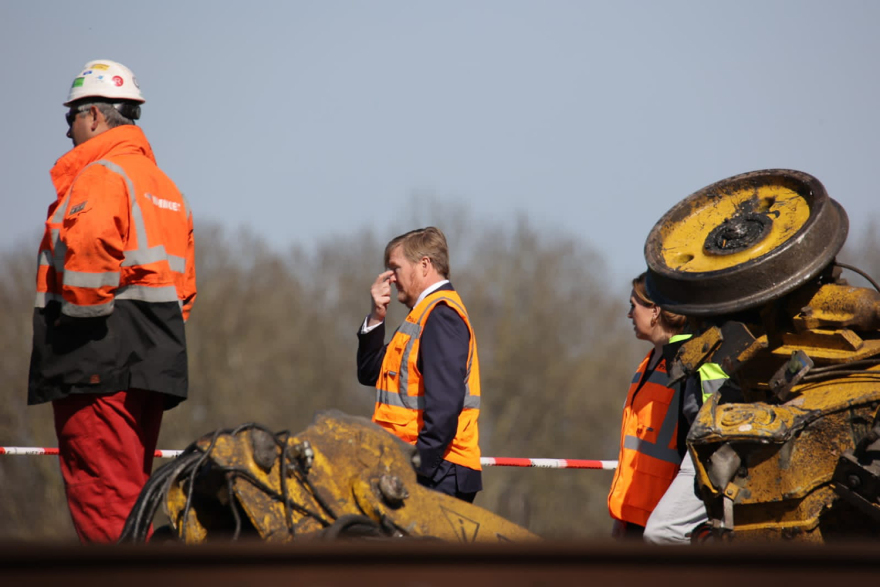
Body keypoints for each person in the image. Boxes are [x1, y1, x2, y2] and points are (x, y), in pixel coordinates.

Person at [28, 60, 196, 543]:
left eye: (71, 118)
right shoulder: (166, 188)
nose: (67, 132)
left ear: (97, 116)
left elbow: (88, 258)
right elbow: (184, 291)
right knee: (133, 498)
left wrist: (77, 328)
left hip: (97, 361)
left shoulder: (101, 174)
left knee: (105, 507)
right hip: (153, 363)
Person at [356, 227, 482, 502]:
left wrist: (416, 468)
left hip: (437, 474)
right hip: (425, 468)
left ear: (424, 265)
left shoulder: (440, 316)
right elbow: (369, 372)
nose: (390, 279)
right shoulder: (421, 317)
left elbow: (445, 409)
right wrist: (377, 316)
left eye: (395, 268)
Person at [607, 272, 689, 540]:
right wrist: (622, 514)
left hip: (663, 523)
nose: (629, 315)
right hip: (633, 515)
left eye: (633, 306)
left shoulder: (688, 363)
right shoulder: (648, 362)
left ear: (655, 311)